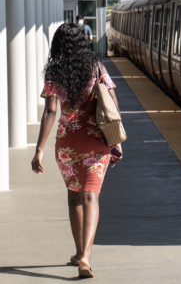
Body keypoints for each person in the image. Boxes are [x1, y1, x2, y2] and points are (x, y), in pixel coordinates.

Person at [31, 23, 123, 278]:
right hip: (97, 141)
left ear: (58, 44)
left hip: (67, 144)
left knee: (74, 197)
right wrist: (115, 142)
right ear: (83, 41)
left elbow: (50, 111)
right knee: (91, 197)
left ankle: (78, 251)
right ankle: (85, 257)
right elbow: (112, 103)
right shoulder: (97, 66)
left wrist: (39, 150)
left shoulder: (54, 72)